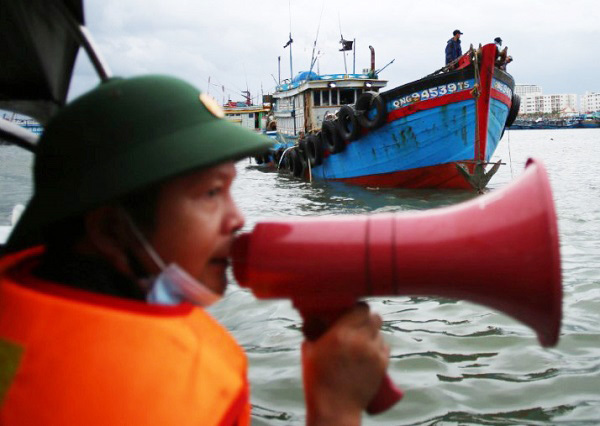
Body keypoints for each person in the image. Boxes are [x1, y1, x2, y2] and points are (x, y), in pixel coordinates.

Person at [0, 75, 389, 425]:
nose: (237, 219)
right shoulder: (164, 400)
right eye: (211, 193)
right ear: (111, 229)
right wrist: (335, 409)